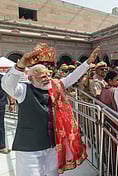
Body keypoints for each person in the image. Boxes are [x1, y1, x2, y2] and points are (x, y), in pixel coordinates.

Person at [1, 43, 99, 176]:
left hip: (52, 145)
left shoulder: (55, 86)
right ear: (31, 78)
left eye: (47, 75)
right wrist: (21, 65)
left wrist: (87, 63)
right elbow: (7, 84)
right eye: (42, 77)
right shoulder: (23, 90)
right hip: (29, 148)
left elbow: (72, 77)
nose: (47, 79)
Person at [0, 73, 13, 154]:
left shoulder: (2, 77)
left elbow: (7, 89)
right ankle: (1, 146)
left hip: (0, 103)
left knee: (0, 125)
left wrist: (11, 102)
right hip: (1, 103)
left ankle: (1, 146)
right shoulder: (2, 77)